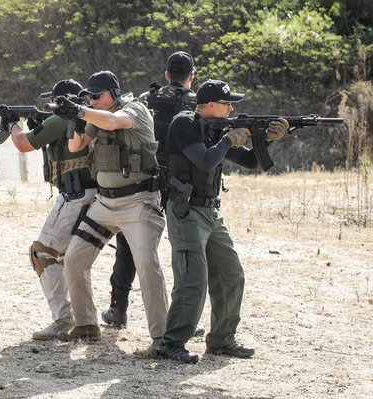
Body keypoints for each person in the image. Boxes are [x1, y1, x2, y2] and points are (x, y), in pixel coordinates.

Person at [158, 79, 288, 363]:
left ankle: (221, 340)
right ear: (213, 106)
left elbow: (253, 162)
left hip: (211, 212)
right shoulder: (184, 124)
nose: (232, 110)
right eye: (228, 104)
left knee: (231, 275)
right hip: (186, 210)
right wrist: (229, 139)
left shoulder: (214, 130)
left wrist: (266, 140)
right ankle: (172, 343)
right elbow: (204, 161)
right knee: (193, 280)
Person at [51, 71, 169, 347]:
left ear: (114, 93)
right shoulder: (95, 114)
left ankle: (163, 337)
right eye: (89, 96)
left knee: (147, 266)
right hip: (104, 204)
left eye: (97, 95)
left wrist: (81, 110)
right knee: (74, 259)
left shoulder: (134, 109)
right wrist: (74, 118)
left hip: (138, 202)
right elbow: (76, 145)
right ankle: (86, 325)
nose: (93, 100)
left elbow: (115, 122)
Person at [102, 51, 204, 337]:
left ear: (167, 75)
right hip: (183, 185)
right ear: (191, 76)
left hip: (144, 180)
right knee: (181, 251)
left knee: (129, 248)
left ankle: (118, 310)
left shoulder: (147, 100)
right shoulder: (197, 103)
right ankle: (184, 319)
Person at [0, 79, 98, 340]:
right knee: (70, 259)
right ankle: (85, 320)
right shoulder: (88, 117)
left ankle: (63, 318)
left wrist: (12, 124)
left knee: (42, 253)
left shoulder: (61, 120)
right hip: (92, 195)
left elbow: (22, 144)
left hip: (75, 196)